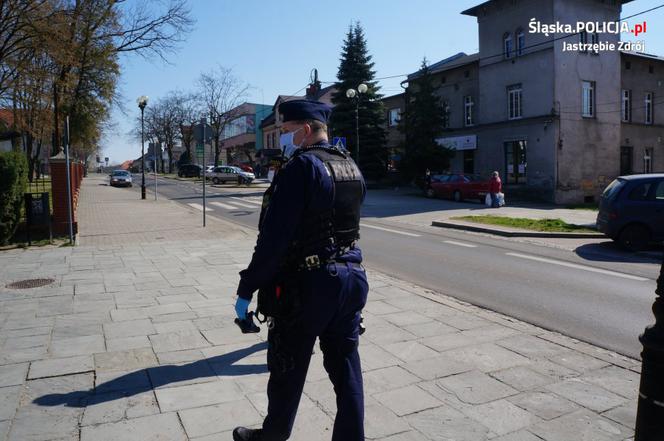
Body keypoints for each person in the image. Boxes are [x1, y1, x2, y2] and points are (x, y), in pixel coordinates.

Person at [233, 99, 369, 441]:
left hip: (309, 285)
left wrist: (247, 287)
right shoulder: (351, 165)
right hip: (352, 279)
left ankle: (272, 436)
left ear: (305, 130)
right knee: (346, 368)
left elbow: (274, 239)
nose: (284, 137)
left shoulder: (301, 168)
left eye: (287, 131)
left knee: (286, 366)